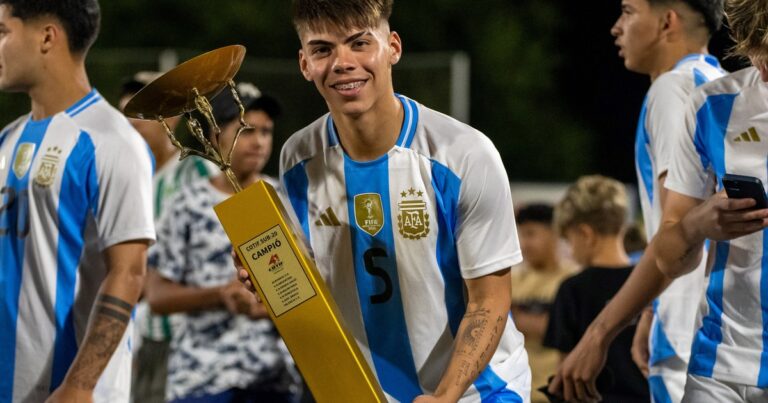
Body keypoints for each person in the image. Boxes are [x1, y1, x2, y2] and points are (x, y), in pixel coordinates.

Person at [238, 1, 531, 401]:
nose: (342, 62)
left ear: (392, 47)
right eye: (323, 49)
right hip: (368, 393)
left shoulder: (464, 155)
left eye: (360, 43)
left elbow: (489, 301)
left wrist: (444, 396)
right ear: (305, 63)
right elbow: (316, 285)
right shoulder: (297, 159)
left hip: (478, 392)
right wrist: (272, 277)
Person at [548, 1, 725, 401]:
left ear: (667, 21)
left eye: (628, 12)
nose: (616, 27)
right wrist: (651, 309)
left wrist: (598, 334)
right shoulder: (721, 83)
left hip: (691, 338)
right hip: (721, 326)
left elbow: (678, 229)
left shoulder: (673, 89)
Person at [0, 1, 155, 402]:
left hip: (67, 392)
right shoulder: (8, 139)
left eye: (2, 32)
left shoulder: (113, 143)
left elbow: (129, 273)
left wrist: (80, 384)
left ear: (47, 37)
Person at [146, 83, 300, 403]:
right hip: (202, 376)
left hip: (271, 375)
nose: (258, 142)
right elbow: (157, 295)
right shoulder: (188, 203)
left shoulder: (283, 201)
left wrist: (265, 308)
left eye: (266, 132)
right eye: (246, 130)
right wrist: (219, 295)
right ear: (215, 136)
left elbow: (306, 289)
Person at [653, 0, 768, 399]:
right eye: (755, 50)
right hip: (718, 370)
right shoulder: (710, 105)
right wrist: (697, 224)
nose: (764, 67)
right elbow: (666, 255)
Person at [117, 72, 220, 403]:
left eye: (140, 117)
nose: (131, 126)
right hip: (146, 334)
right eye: (126, 117)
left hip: (190, 336)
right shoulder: (127, 179)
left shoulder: (198, 173)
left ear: (171, 119)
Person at [544, 175, 649, 402]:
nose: (570, 250)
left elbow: (566, 374)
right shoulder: (649, 283)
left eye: (568, 240)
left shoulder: (572, 289)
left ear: (585, 234)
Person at [510, 204, 576, 403]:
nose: (525, 243)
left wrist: (517, 320)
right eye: (522, 235)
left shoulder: (571, 280)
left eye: (531, 234)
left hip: (556, 391)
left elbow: (570, 333)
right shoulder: (512, 280)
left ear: (553, 234)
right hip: (518, 390)